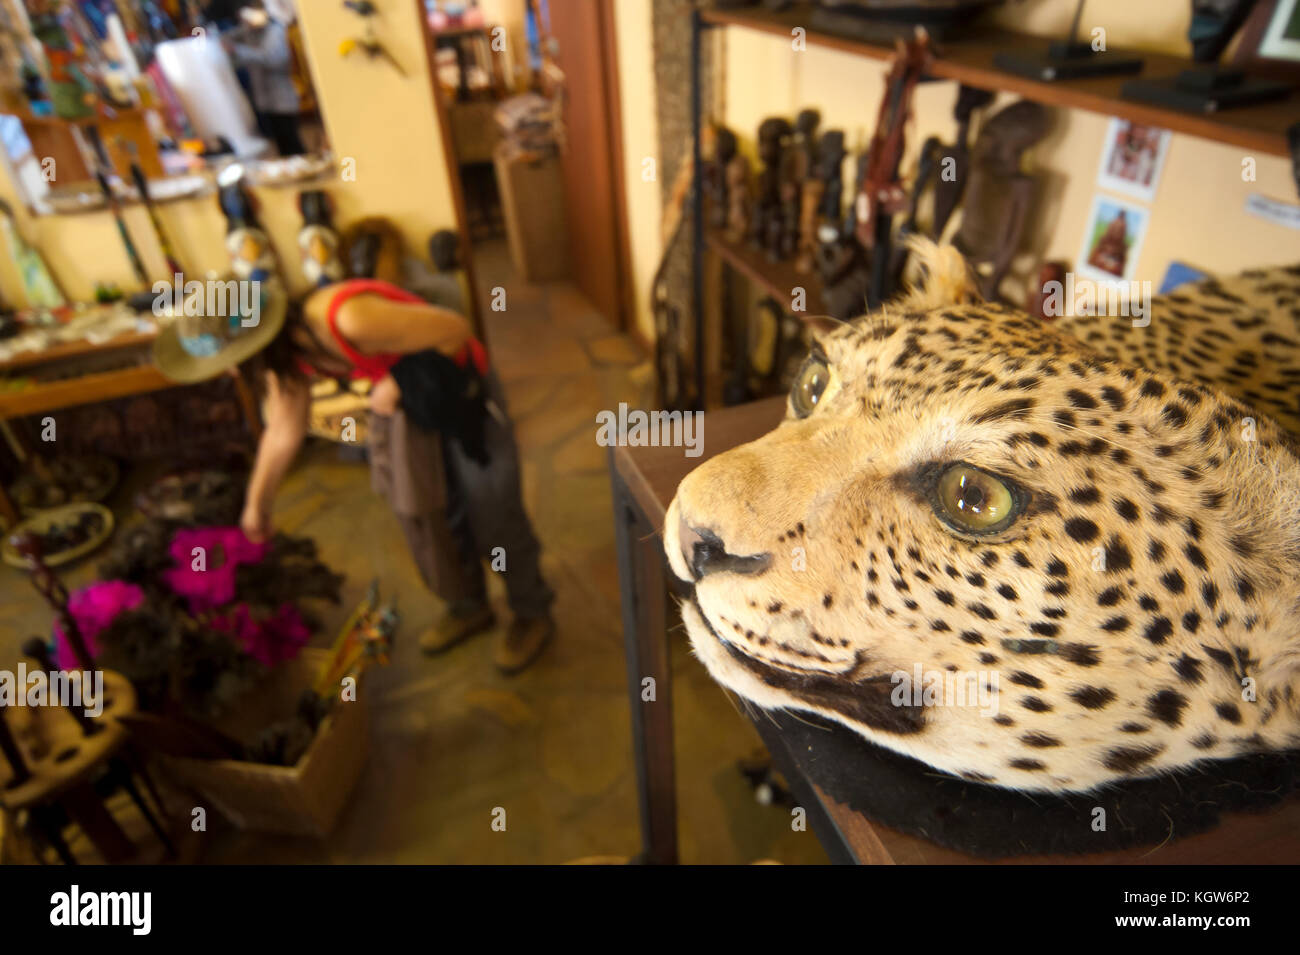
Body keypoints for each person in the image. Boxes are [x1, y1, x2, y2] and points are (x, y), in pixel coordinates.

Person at [152, 274, 556, 675]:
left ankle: (530, 611)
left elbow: (456, 330)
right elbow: (283, 428)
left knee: (492, 510)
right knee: (431, 513)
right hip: (414, 405)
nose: (230, 373)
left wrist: (395, 383)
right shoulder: (286, 354)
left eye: (231, 362)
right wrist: (256, 507)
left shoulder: (346, 319)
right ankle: (469, 606)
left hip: (462, 394)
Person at [225, 4, 305, 156]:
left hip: (282, 99)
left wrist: (238, 50)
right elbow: (228, 37)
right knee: (281, 144)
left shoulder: (275, 30)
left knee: (291, 143)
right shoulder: (251, 32)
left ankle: (303, 169)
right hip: (265, 100)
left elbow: (274, 59)